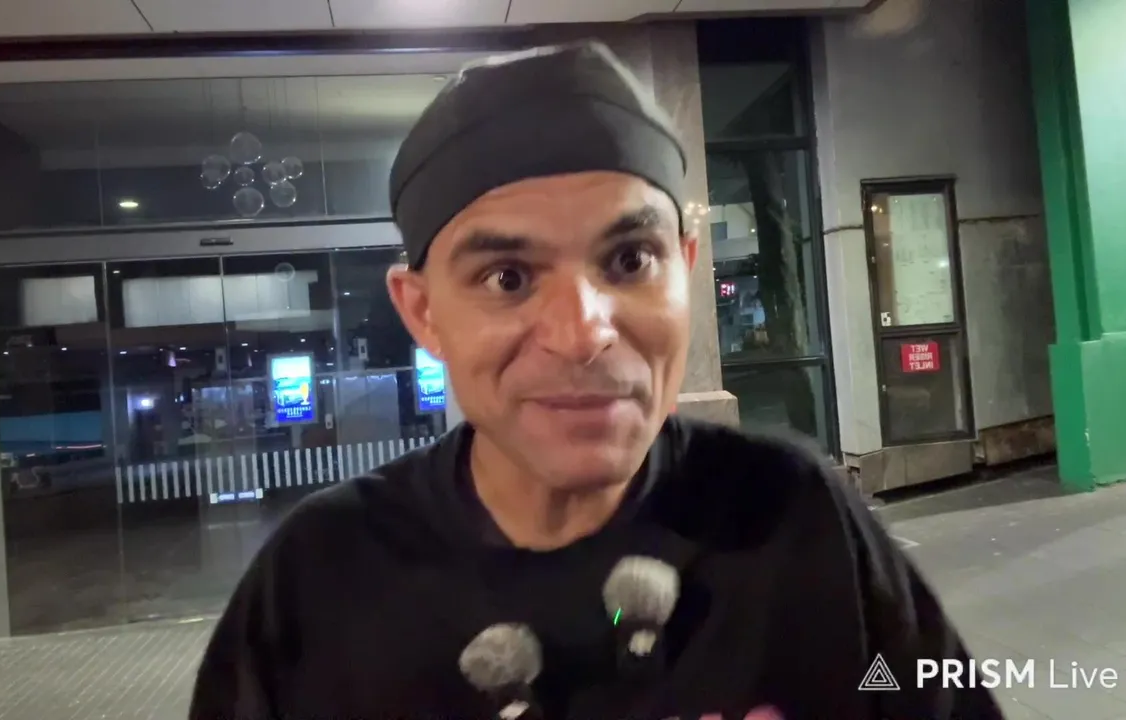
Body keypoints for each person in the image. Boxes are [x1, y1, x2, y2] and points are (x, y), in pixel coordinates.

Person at [188, 41, 1002, 720]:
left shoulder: (795, 520)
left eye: (630, 260)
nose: (583, 333)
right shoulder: (320, 581)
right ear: (424, 311)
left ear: (685, 268)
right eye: (508, 277)